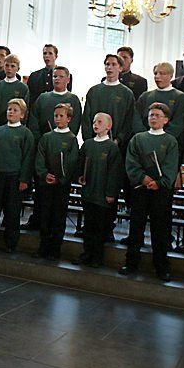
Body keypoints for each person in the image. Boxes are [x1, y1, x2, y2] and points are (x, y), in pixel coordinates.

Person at [121, 103, 180, 281]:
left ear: (166, 120)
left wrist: (160, 182)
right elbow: (131, 162)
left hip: (160, 191)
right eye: (151, 115)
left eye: (157, 115)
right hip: (141, 189)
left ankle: (161, 266)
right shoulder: (138, 139)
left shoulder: (170, 141)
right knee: (136, 226)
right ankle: (131, 263)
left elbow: (171, 166)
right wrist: (143, 178)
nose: (153, 118)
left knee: (160, 228)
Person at [0, 99, 35, 253]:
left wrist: (24, 179)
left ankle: (10, 242)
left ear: (22, 115)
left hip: (15, 177)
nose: (11, 112)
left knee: (12, 211)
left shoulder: (25, 134)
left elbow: (28, 158)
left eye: (15, 110)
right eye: (9, 109)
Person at [75, 113, 124, 267]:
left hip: (102, 196)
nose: (95, 124)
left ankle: (97, 256)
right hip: (89, 193)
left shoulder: (112, 148)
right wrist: (79, 177)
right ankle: (87, 254)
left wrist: (111, 193)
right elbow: (80, 164)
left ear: (108, 126)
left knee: (100, 228)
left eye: (100, 122)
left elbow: (115, 172)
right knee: (88, 226)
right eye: (94, 121)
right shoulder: (88, 144)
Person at [33, 103, 79, 260]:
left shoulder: (72, 139)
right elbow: (40, 158)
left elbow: (72, 162)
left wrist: (61, 179)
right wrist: (45, 174)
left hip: (61, 186)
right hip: (46, 183)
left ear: (69, 118)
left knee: (59, 217)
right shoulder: (46, 138)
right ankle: (43, 247)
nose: (57, 119)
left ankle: (55, 249)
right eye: (55, 116)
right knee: (45, 215)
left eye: (61, 116)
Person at [81, 54, 134, 144]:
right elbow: (86, 118)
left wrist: (119, 140)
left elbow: (129, 121)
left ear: (120, 68)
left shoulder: (127, 94)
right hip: (94, 142)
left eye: (114, 64)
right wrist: (88, 140)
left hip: (117, 144)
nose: (109, 67)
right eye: (107, 64)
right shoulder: (94, 91)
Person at [134, 62, 184, 141]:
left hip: (168, 142)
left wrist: (162, 138)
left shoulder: (180, 97)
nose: (157, 76)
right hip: (144, 140)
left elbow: (178, 123)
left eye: (162, 74)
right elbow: (136, 118)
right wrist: (144, 136)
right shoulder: (145, 96)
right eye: (156, 73)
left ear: (170, 76)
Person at [28, 66, 81, 139]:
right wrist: (40, 139)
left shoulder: (73, 99)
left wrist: (67, 138)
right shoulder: (42, 98)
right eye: (55, 76)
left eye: (61, 76)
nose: (57, 79)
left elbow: (75, 123)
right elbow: (33, 121)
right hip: (43, 142)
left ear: (68, 80)